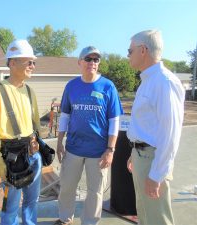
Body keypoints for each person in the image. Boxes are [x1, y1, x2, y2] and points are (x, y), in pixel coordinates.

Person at [54, 46, 124, 225]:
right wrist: (60, 142)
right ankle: (64, 219)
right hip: (73, 148)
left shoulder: (108, 86)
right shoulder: (71, 86)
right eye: (88, 59)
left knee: (95, 191)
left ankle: (90, 222)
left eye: (96, 59)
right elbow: (65, 116)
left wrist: (110, 149)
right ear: (79, 62)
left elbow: (114, 120)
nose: (92, 63)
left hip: (99, 151)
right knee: (67, 187)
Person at [126, 30, 185, 225]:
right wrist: (134, 152)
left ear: (143, 50)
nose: (128, 55)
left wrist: (157, 174)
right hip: (142, 156)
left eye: (130, 50)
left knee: (157, 219)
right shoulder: (149, 80)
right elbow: (146, 125)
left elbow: (171, 134)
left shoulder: (164, 82)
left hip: (153, 161)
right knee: (145, 215)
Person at [0, 39, 42, 225]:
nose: (33, 66)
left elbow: (35, 124)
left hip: (33, 154)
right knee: (11, 206)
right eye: (29, 62)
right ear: (12, 62)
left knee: (32, 202)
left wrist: (39, 146)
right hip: (12, 159)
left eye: (34, 62)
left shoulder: (30, 91)